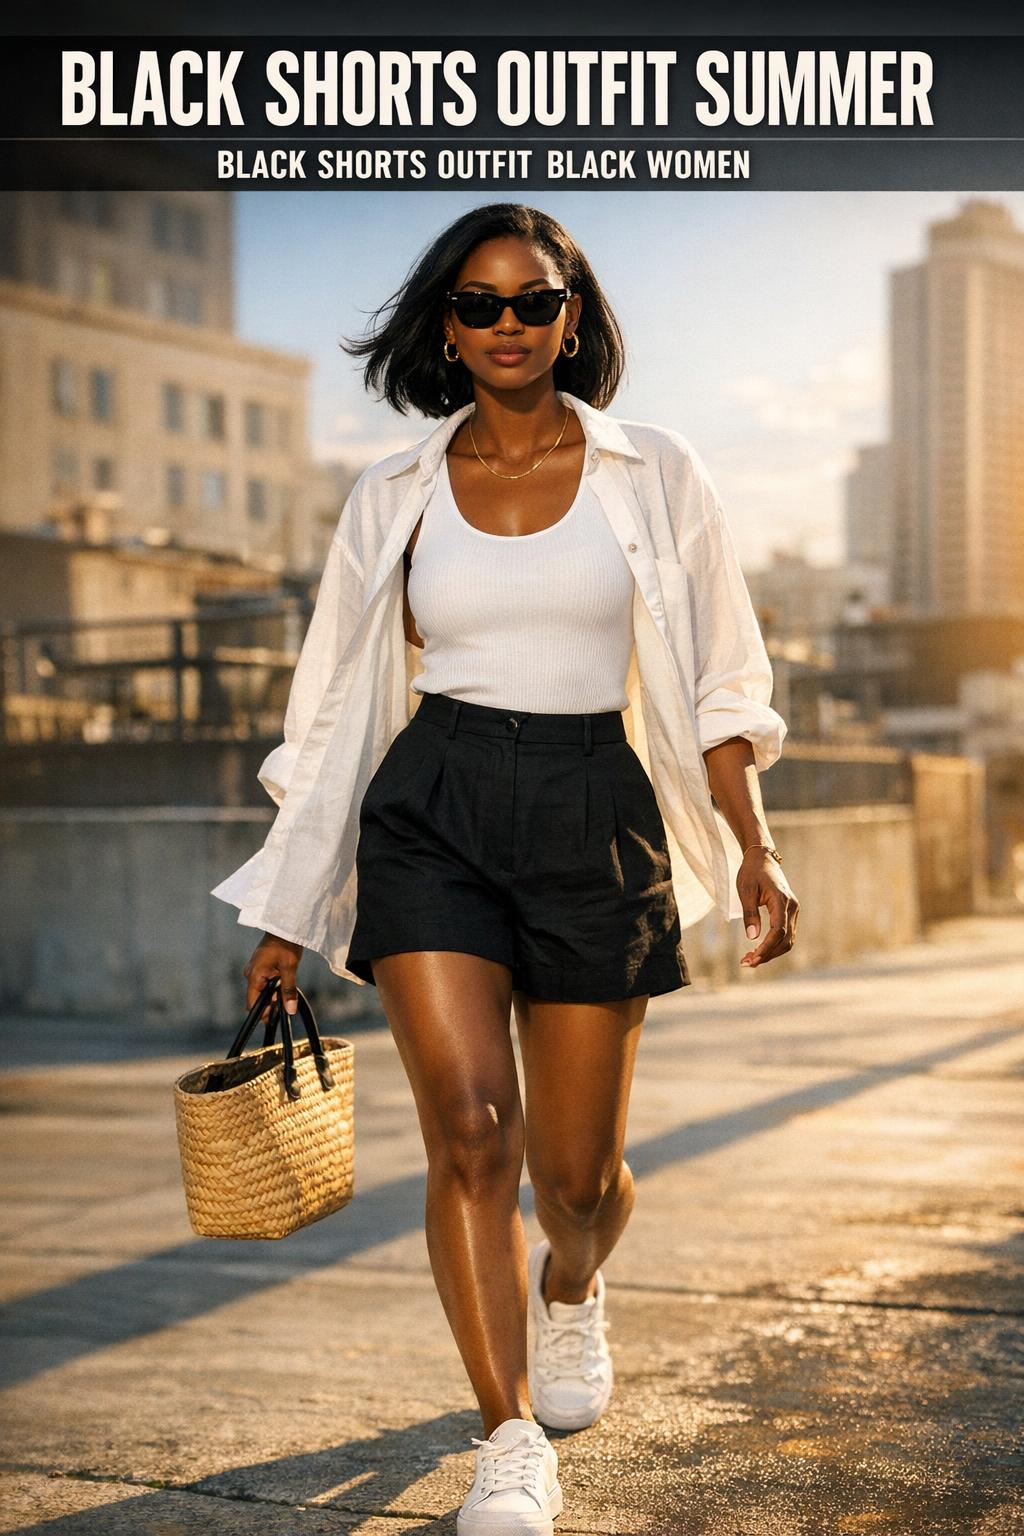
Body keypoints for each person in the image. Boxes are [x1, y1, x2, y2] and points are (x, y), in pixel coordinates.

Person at [212, 202, 799, 1536]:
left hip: (600, 807)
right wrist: (287, 908)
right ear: (447, 327)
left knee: (578, 1182)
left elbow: (723, 681)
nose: (507, 325)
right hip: (435, 807)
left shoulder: (657, 473)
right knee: (473, 1133)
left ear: (572, 319)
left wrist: (756, 844)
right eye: (478, 304)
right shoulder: (392, 494)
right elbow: (330, 710)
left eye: (533, 301)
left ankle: (575, 1290)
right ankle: (508, 1433)